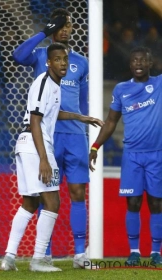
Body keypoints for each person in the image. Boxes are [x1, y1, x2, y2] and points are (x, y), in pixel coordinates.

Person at [0, 43, 103, 272]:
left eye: (65, 59)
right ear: (48, 62)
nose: (63, 63)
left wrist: (81, 118)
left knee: (29, 203)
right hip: (35, 145)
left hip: (28, 145)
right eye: (57, 59)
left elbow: (53, 114)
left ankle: (8, 257)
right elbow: (35, 120)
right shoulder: (43, 83)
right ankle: (38, 260)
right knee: (53, 201)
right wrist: (44, 159)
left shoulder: (54, 86)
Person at [12, 8, 92, 268]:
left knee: (78, 192)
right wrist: (45, 31)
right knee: (42, 195)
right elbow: (17, 55)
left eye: (69, 24)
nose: (66, 28)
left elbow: (82, 104)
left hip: (75, 136)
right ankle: (42, 253)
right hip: (45, 136)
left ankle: (80, 254)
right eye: (61, 24)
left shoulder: (80, 62)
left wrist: (89, 137)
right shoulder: (41, 56)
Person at [90, 46, 162, 266]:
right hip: (131, 155)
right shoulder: (122, 90)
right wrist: (95, 146)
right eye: (134, 61)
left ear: (150, 63)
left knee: (157, 202)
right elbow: (111, 121)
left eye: (143, 60)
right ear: (130, 65)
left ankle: (156, 253)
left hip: (156, 155)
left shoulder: (159, 84)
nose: (138, 64)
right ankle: (134, 251)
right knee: (133, 202)